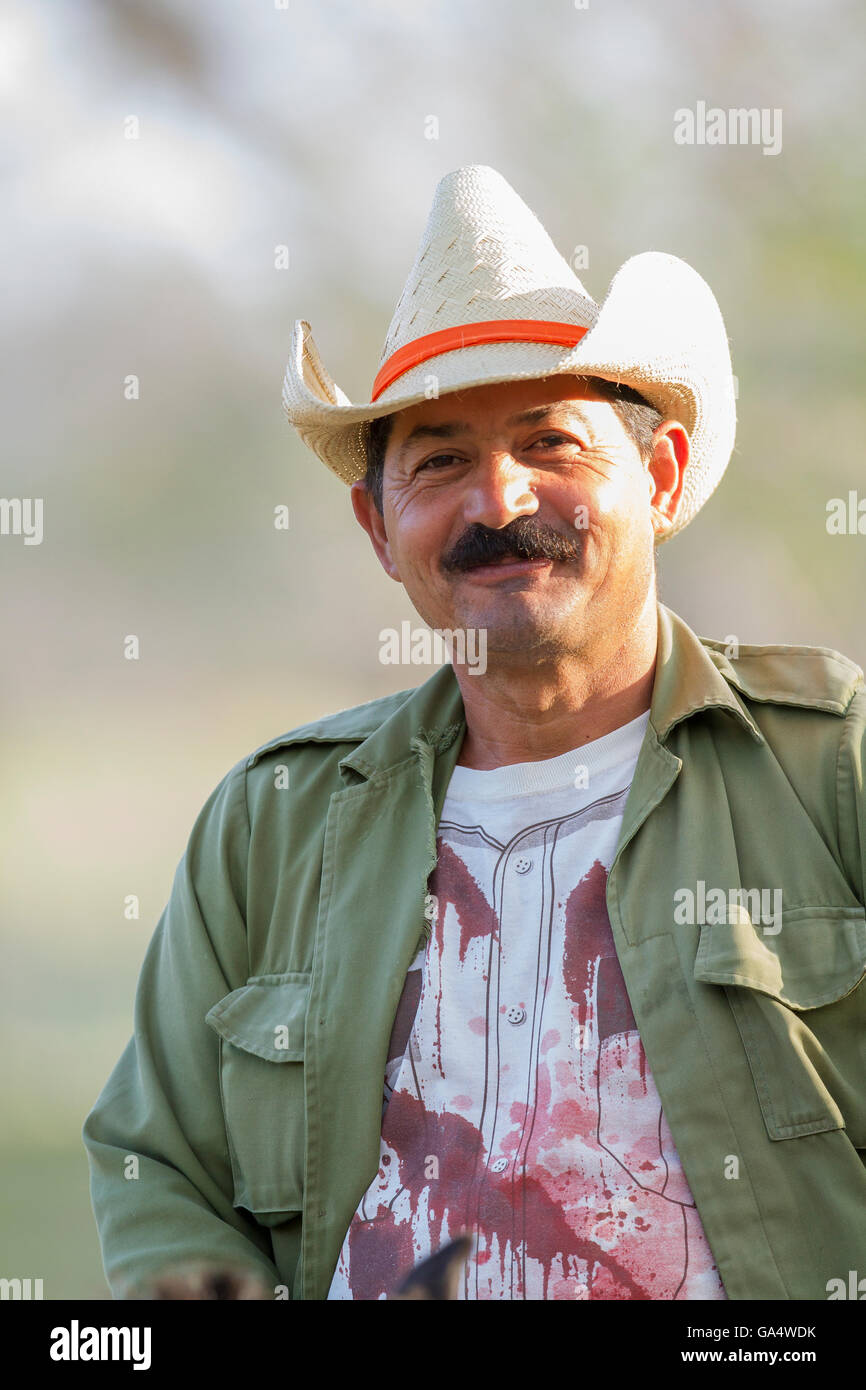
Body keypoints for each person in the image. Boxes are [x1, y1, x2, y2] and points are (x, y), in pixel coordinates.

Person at [84, 164, 866, 1302]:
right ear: (376, 524)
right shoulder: (272, 821)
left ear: (658, 475)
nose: (497, 502)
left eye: (550, 442)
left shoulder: (829, 765)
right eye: (440, 459)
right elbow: (157, 1167)